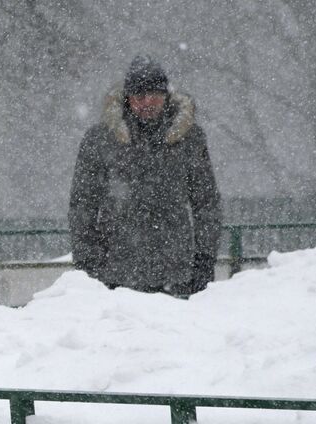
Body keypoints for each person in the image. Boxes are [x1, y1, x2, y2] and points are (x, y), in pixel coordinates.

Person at [69, 56, 222, 298]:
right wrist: (89, 263)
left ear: (166, 96)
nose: (148, 102)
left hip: (176, 274)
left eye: (155, 95)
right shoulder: (99, 140)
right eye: (140, 96)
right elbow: (83, 205)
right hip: (114, 274)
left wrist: (204, 259)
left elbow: (206, 203)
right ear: (128, 98)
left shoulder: (190, 139)